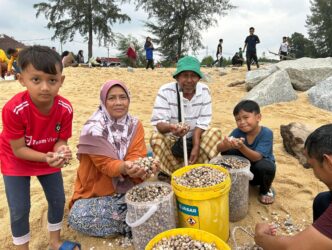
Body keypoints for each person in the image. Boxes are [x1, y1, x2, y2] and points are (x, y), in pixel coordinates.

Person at [0, 45, 80, 250]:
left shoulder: (65, 108)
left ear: (61, 81)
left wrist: (61, 150)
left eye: (52, 80)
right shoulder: (13, 109)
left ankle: (55, 241)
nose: (45, 87)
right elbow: (18, 150)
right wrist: (47, 157)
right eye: (36, 79)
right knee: (19, 208)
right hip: (15, 158)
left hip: (47, 154)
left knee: (57, 200)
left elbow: (61, 140)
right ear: (21, 80)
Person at [68, 80, 159, 237]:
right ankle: (132, 221)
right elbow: (107, 166)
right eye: (112, 98)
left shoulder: (135, 124)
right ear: (104, 101)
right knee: (77, 216)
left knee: (149, 159)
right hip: (98, 193)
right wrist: (125, 167)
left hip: (128, 187)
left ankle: (134, 219)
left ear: (128, 99)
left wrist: (141, 167)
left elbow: (136, 154)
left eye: (123, 97)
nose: (118, 103)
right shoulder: (93, 129)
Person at [255, 123, 332, 249]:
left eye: (312, 166)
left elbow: (292, 248)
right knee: (323, 200)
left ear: (328, 162)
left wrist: (261, 237)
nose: (316, 175)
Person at [150, 56, 221, 176]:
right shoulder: (165, 91)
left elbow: (203, 121)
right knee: (156, 138)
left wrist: (196, 145)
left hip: (195, 137)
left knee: (215, 133)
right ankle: (169, 174)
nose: (189, 80)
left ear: (199, 78)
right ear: (177, 77)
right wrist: (172, 128)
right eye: (184, 75)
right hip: (173, 139)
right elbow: (159, 124)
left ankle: (199, 170)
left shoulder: (204, 91)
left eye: (193, 75)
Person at [217, 100, 276, 205]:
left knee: (266, 167)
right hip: (242, 173)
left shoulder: (266, 133)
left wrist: (241, 147)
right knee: (227, 152)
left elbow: (256, 157)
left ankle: (265, 190)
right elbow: (219, 149)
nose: (242, 122)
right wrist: (225, 144)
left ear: (258, 117)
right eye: (238, 119)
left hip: (259, 173)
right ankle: (239, 181)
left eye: (246, 117)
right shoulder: (237, 132)